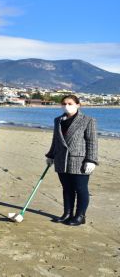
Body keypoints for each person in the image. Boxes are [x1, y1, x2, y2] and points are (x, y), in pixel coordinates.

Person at [45, 95, 98, 226]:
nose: (66, 106)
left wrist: (91, 160)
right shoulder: (58, 120)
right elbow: (56, 140)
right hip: (61, 159)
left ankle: (80, 216)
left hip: (79, 160)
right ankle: (67, 214)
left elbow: (92, 141)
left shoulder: (88, 120)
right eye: (64, 103)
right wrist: (51, 155)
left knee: (80, 188)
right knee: (67, 188)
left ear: (78, 105)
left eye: (70, 103)